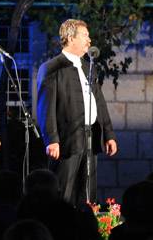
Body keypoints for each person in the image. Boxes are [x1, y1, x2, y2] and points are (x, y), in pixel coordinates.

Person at [35, 18, 117, 207]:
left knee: (87, 191)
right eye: (85, 36)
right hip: (66, 140)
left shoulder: (89, 67)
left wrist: (109, 134)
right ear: (71, 38)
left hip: (90, 136)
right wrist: (51, 139)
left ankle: (84, 230)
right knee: (64, 190)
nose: (89, 40)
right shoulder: (52, 67)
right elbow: (44, 108)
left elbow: (99, 103)